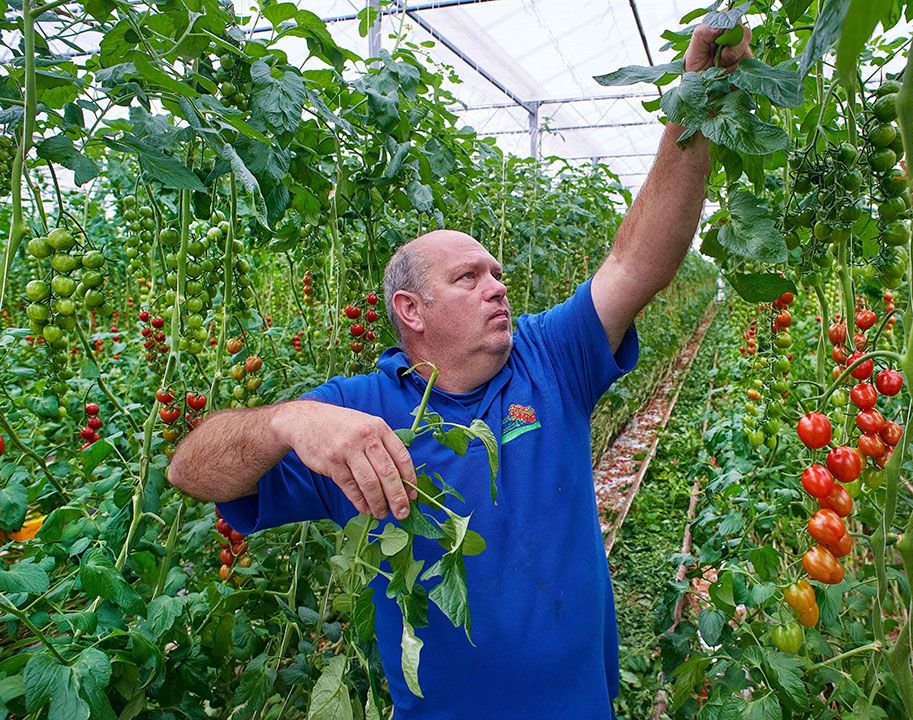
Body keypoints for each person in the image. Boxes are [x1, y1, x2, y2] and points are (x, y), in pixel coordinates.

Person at [167, 22, 752, 720]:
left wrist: (696, 103)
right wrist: (287, 420)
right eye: (469, 276)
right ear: (411, 309)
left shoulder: (550, 356)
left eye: (497, 274)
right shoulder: (356, 413)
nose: (498, 287)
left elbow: (637, 262)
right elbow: (189, 473)